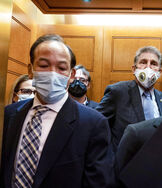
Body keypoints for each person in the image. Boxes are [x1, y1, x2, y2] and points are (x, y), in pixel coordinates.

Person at [0, 34, 113, 188]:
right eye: (44, 65)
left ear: (71, 75)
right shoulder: (8, 115)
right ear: (31, 70)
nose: (52, 73)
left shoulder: (93, 123)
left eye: (61, 68)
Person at [96, 46, 162, 151]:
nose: (148, 67)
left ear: (159, 72)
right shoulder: (117, 92)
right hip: (125, 163)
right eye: (143, 62)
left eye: (153, 64)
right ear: (134, 69)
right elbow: (96, 124)